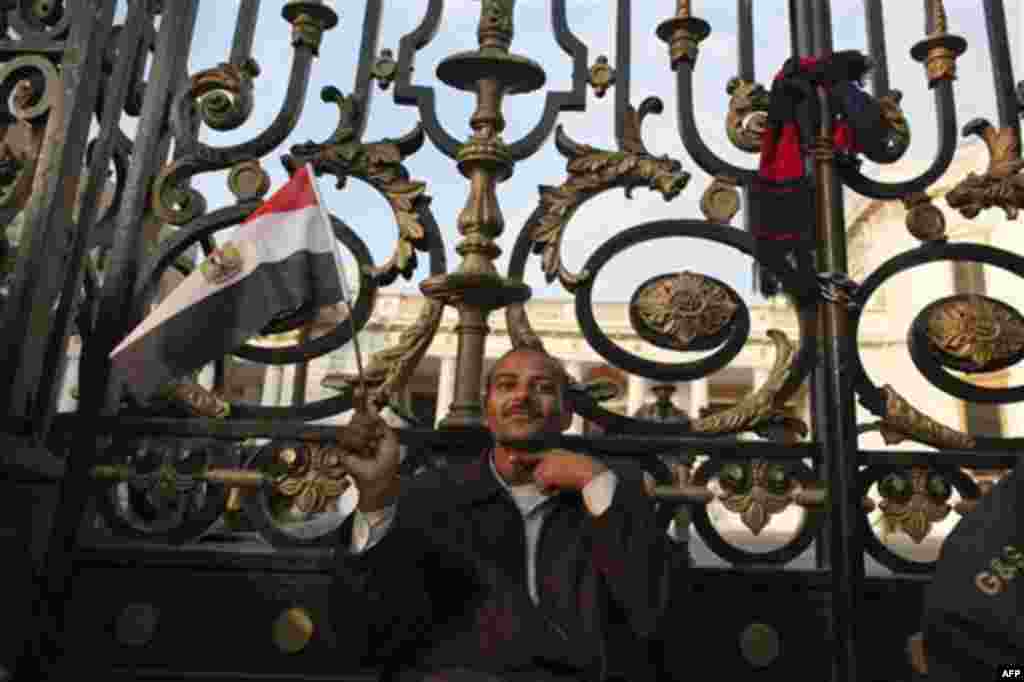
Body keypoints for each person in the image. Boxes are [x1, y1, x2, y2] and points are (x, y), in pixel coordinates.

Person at [329, 347, 674, 682]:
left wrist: (594, 481)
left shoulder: (608, 492)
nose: (522, 396)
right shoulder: (431, 495)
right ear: (487, 409)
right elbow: (366, 621)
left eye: (542, 388)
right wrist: (374, 498)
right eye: (507, 385)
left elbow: (650, 612)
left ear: (567, 414)